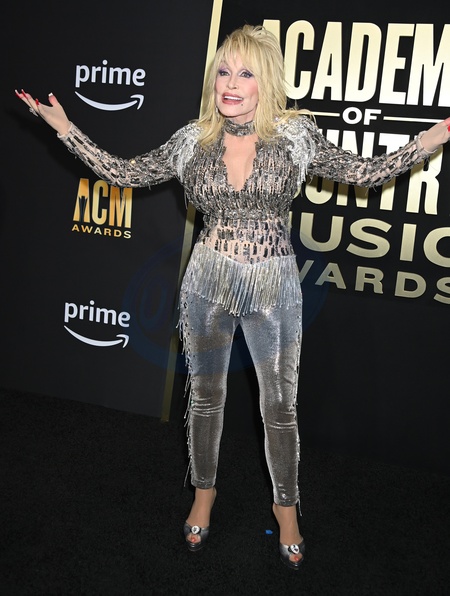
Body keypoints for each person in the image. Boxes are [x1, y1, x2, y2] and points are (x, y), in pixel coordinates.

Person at [16, 24, 450, 570]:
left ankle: (286, 509)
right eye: (223, 71)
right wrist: (65, 128)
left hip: (274, 286)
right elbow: (125, 174)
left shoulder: (296, 136)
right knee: (204, 398)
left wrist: (429, 140)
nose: (231, 83)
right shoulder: (191, 141)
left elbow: (362, 173)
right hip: (207, 285)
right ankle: (204, 494)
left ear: (266, 81)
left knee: (280, 408)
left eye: (245, 73)